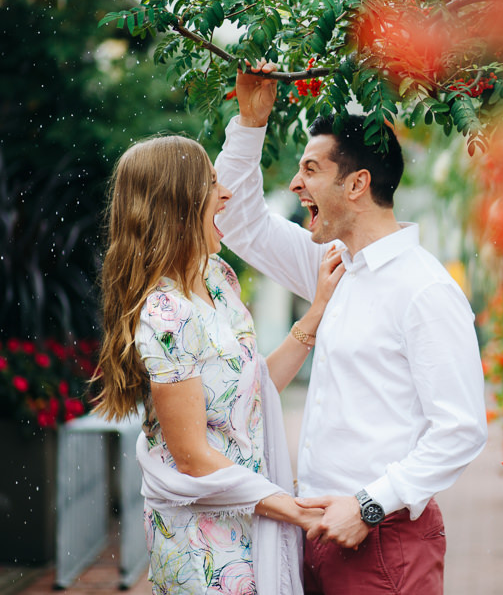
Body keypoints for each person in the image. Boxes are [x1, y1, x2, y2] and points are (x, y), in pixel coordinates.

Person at [214, 61, 489, 594]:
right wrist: (249, 122)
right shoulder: (332, 266)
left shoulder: (425, 289)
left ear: (358, 184)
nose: (296, 183)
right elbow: (236, 222)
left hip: (385, 541)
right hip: (316, 532)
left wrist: (368, 506)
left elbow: (460, 429)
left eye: (311, 169)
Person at [93, 134, 346, 594]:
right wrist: (295, 510)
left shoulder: (217, 277)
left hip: (253, 515)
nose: (226, 194)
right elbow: (192, 459)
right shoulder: (166, 315)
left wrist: (317, 312)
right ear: (178, 204)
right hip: (202, 543)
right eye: (211, 183)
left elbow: (250, 391)